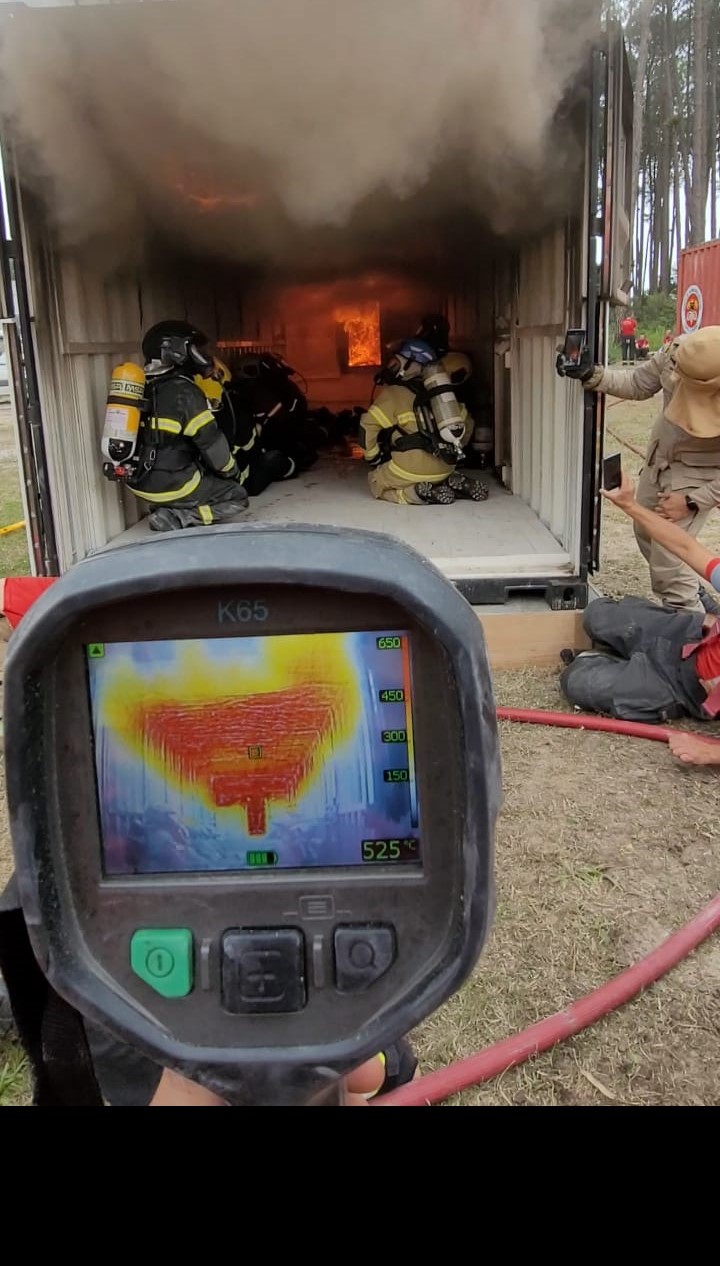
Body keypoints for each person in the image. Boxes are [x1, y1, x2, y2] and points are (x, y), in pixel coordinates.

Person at [558, 325, 720, 613]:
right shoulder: (676, 353)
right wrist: (592, 374)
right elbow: (638, 383)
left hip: (699, 478)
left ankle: (688, 623)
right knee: (645, 531)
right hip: (660, 461)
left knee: (668, 562)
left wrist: (692, 501)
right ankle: (695, 596)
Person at [588, 471, 720, 768]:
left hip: (686, 687)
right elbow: (686, 546)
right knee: (595, 615)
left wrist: (709, 753)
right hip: (690, 636)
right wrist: (629, 505)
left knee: (578, 681)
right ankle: (626, 652)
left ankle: (616, 662)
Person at [126, 320, 249, 531]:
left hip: (139, 482)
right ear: (176, 352)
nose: (203, 355)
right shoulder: (185, 392)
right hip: (174, 484)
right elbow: (211, 443)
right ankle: (179, 517)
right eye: (195, 349)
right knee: (237, 496)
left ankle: (168, 506)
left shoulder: (141, 386)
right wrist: (231, 471)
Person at [360, 348, 489, 505]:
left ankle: (415, 493)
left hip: (408, 469)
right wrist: (452, 449)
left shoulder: (394, 393)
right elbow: (467, 425)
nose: (392, 367)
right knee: (438, 473)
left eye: (396, 362)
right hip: (446, 465)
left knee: (375, 482)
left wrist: (373, 457)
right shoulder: (444, 395)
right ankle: (449, 482)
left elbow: (367, 425)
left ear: (412, 364)